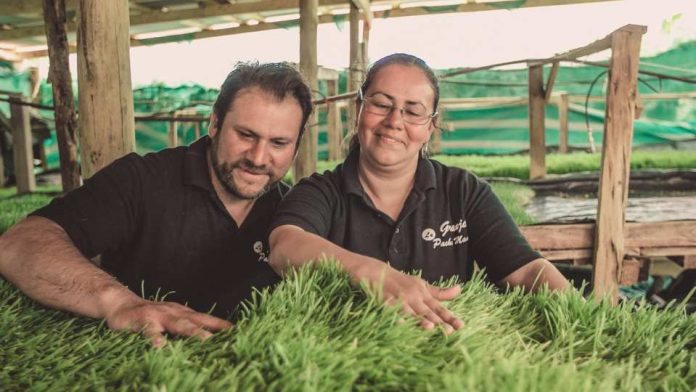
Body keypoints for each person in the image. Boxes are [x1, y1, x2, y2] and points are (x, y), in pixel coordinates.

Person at [0, 62, 312, 346]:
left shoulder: (294, 211)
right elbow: (19, 243)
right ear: (214, 124)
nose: (258, 158)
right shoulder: (142, 179)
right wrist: (120, 303)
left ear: (296, 146)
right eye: (245, 135)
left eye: (278, 143)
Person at [268, 53, 569, 334]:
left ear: (430, 127)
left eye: (413, 111)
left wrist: (581, 314)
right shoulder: (322, 192)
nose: (395, 122)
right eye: (381, 104)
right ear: (358, 110)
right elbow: (285, 245)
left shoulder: (462, 192)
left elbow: (527, 271)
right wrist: (372, 273)